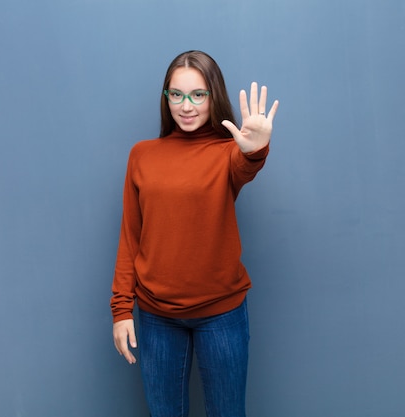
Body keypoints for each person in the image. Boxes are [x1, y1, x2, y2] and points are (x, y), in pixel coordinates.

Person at [110, 50, 279, 417]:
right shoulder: (142, 155)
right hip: (156, 315)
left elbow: (245, 165)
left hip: (221, 313)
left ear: (213, 96)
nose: (186, 106)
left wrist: (255, 150)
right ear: (166, 97)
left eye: (198, 95)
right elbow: (130, 236)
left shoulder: (227, 153)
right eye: (176, 94)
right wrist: (121, 309)